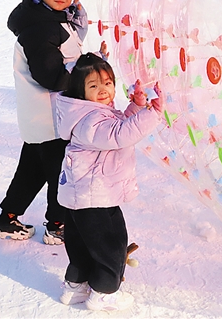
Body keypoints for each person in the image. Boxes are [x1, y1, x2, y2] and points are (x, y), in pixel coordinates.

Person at [0, 0, 86, 245]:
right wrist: (86, 75)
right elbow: (52, 77)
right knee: (60, 173)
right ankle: (58, 225)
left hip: (39, 117)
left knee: (32, 170)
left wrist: (76, 19)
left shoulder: (48, 18)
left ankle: (6, 219)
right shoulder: (41, 27)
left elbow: (68, 45)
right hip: (51, 117)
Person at [54, 53, 163, 311]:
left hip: (83, 196)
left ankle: (75, 286)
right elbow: (118, 134)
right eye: (93, 85)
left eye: (108, 83)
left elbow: (116, 124)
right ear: (80, 91)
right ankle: (104, 292)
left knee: (81, 244)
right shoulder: (90, 119)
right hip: (96, 197)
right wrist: (153, 114)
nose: (103, 89)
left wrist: (136, 107)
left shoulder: (86, 113)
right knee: (110, 245)